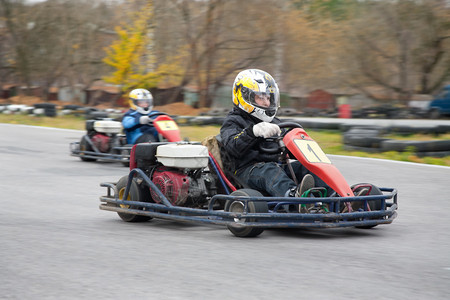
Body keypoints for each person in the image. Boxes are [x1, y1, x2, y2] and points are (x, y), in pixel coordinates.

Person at [220, 69, 331, 198]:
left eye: (268, 98)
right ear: (244, 96)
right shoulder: (233, 121)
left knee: (306, 168)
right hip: (246, 171)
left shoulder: (274, 122)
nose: (267, 102)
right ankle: (295, 199)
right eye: (261, 97)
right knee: (269, 171)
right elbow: (233, 146)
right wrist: (253, 132)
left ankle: (337, 197)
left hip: (276, 168)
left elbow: (289, 147)